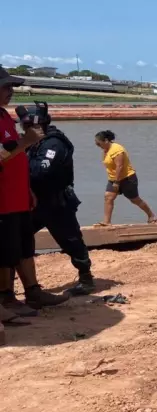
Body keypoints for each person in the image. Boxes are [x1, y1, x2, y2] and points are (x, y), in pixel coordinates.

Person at [1, 68, 69, 321]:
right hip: (3, 200)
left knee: (24, 247)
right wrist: (26, 143)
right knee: (6, 252)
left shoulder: (4, 117)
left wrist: (27, 188)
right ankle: (6, 298)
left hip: (17, 196)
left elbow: (13, 155)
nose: (11, 92)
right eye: (7, 87)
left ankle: (33, 292)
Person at [18, 102, 95, 296]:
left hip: (56, 202)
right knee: (18, 238)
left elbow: (41, 171)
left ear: (40, 124)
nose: (25, 129)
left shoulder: (54, 143)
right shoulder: (32, 143)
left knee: (70, 240)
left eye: (28, 125)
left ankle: (86, 278)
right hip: (34, 202)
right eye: (24, 126)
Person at [94, 130, 157, 226]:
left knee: (134, 199)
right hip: (113, 179)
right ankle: (106, 222)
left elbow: (120, 166)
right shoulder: (105, 150)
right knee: (108, 197)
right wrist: (113, 180)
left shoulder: (117, 149)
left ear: (106, 140)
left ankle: (151, 215)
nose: (97, 145)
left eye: (98, 143)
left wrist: (116, 182)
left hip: (127, 178)